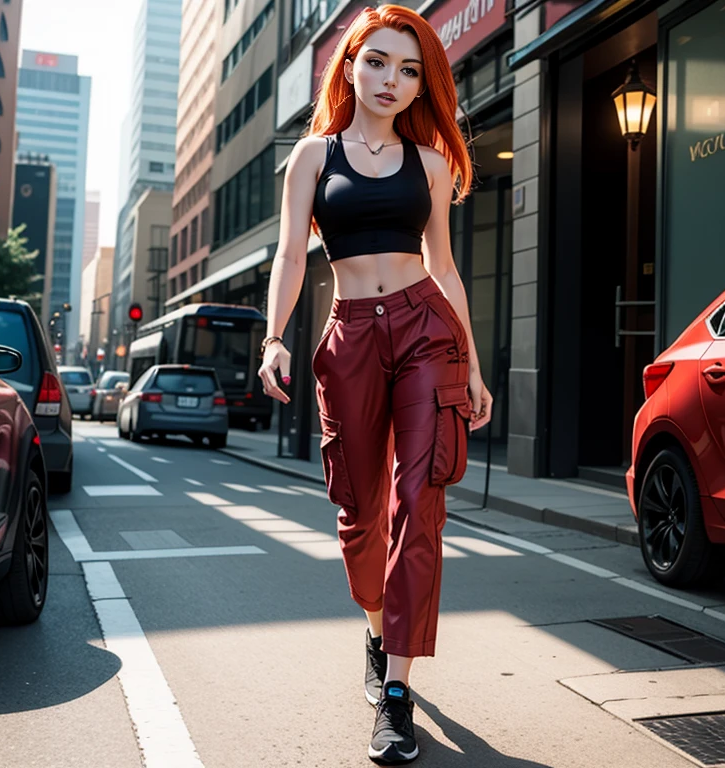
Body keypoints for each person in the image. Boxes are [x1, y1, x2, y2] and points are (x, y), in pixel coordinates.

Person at [258, 4, 493, 763]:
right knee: (362, 514)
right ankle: (374, 630)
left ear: (422, 81)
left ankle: (397, 694)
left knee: (419, 504)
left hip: (426, 332)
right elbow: (292, 256)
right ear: (350, 66)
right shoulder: (312, 158)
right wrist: (272, 337)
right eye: (379, 63)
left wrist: (474, 364)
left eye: (410, 68)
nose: (392, 80)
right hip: (350, 337)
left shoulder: (430, 164)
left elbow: (445, 268)